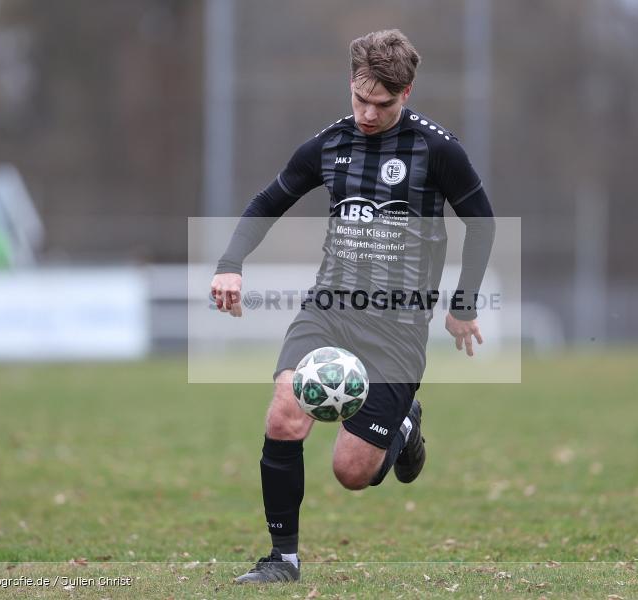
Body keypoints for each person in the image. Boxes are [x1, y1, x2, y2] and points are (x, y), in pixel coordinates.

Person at [210, 29, 495, 584]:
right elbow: (269, 201)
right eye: (359, 99)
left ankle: (405, 427)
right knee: (285, 411)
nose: (367, 112)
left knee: (350, 472)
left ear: (405, 93)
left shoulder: (437, 150)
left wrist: (464, 302)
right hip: (330, 308)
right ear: (351, 83)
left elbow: (481, 224)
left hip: (398, 328)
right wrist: (230, 263)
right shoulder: (328, 145)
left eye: (382, 104)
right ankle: (282, 560)